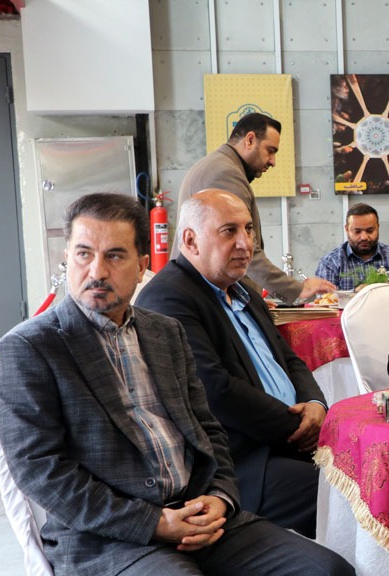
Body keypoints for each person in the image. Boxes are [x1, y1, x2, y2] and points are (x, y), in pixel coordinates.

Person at [0, 192, 356, 576]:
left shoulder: (163, 333)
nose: (96, 270)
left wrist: (221, 498)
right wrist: (155, 523)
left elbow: (210, 431)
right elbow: (44, 476)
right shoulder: (31, 348)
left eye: (114, 255)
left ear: (143, 265)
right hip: (109, 541)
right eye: (83, 253)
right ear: (67, 256)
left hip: (199, 515)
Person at [136, 189, 325, 539]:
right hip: (243, 463)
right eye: (229, 231)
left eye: (248, 229)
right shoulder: (169, 298)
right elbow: (216, 391)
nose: (245, 243)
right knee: (349, 497)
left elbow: (288, 358)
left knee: (377, 472)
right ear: (190, 241)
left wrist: (315, 404)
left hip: (286, 441)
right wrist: (299, 430)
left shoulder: (243, 290)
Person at [176, 112, 335, 303]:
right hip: (206, 298)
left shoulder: (218, 165)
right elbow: (240, 248)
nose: (273, 161)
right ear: (250, 140)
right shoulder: (225, 174)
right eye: (270, 150)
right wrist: (297, 289)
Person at [314, 202, 389, 290]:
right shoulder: (331, 263)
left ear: (378, 227)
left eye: (370, 231)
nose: (364, 237)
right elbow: (325, 301)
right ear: (347, 229)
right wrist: (356, 294)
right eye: (357, 231)